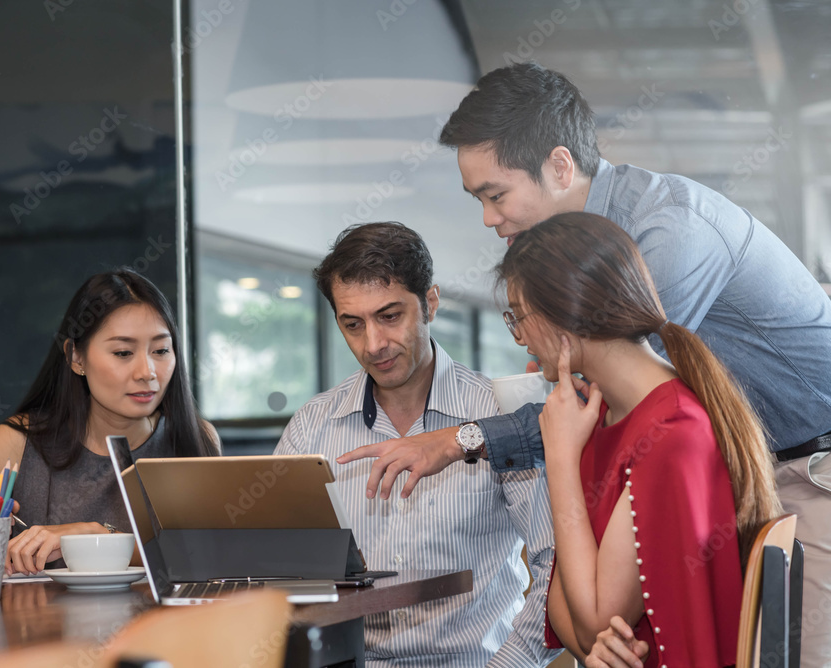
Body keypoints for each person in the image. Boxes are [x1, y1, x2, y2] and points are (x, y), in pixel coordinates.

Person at [338, 62, 831, 665]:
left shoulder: (667, 231)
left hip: (810, 470)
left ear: (561, 166)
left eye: (496, 195)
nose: (490, 219)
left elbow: (599, 384)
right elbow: (584, 618)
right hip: (750, 463)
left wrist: (460, 440)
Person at [276, 222, 560, 667]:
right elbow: (277, 570)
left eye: (390, 317)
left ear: (430, 302)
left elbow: (555, 562)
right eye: (353, 325)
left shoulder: (498, 416)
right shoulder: (312, 426)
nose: (373, 345)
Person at [505, 212, 781, 666]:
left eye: (519, 317)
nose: (518, 338)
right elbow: (567, 619)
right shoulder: (603, 414)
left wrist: (559, 460)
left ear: (565, 319)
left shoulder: (672, 431)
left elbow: (593, 618)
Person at [0, 269, 218, 574]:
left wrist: (96, 537)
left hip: (163, 637)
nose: (147, 373)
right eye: (123, 353)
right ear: (76, 357)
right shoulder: (20, 441)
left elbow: (215, 553)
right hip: (41, 637)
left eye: (160, 351)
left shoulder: (195, 439)